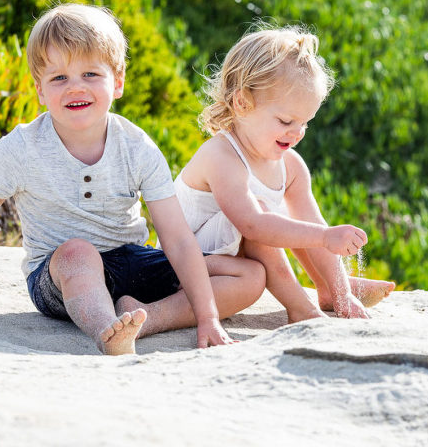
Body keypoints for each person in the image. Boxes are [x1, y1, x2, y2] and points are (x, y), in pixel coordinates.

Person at [0, 3, 266, 355]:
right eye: (58, 77)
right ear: (40, 91)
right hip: (60, 275)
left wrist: (208, 317)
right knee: (79, 252)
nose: (75, 86)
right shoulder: (22, 148)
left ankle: (147, 317)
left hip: (130, 262)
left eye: (90, 73)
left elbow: (177, 239)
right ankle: (105, 329)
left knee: (248, 274)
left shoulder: (137, 147)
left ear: (118, 81)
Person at [166, 24, 395, 323]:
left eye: (306, 122)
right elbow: (254, 226)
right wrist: (325, 237)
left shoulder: (291, 166)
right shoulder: (220, 156)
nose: (297, 133)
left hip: (234, 268)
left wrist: (341, 293)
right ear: (242, 103)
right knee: (262, 219)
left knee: (295, 225)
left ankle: (332, 289)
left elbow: (311, 222)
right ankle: (300, 307)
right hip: (183, 269)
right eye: (287, 120)